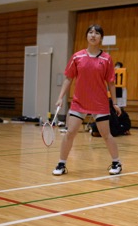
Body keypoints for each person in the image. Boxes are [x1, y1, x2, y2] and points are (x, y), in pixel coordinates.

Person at [52, 24, 123, 176]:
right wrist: (60, 98)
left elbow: (111, 82)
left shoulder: (106, 58)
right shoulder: (77, 57)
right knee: (70, 133)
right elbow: (68, 78)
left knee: (106, 135)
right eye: (90, 32)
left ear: (101, 38)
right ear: (86, 36)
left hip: (100, 103)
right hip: (79, 102)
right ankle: (61, 164)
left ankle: (116, 162)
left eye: (97, 33)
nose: (93, 35)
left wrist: (115, 103)